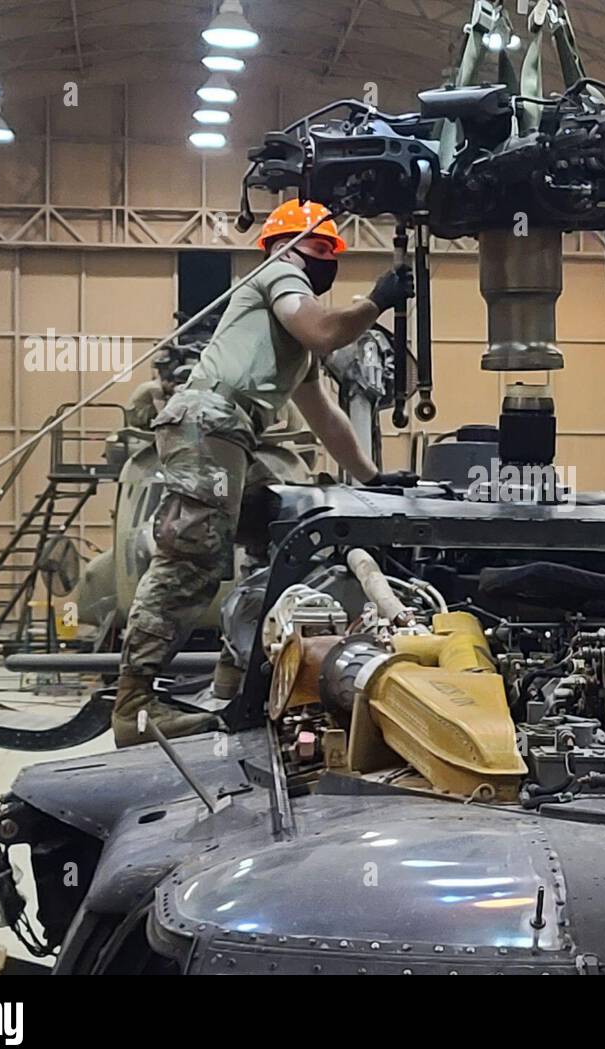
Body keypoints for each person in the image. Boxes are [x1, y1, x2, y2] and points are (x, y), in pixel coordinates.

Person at [112, 199, 416, 747]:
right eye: (318, 248)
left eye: (331, 252)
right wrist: (375, 303)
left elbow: (325, 416)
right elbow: (326, 331)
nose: (325, 260)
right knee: (193, 559)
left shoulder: (293, 344)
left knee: (280, 537)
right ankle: (134, 708)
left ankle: (236, 675)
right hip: (209, 424)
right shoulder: (279, 275)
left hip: (231, 434)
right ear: (282, 246)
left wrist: (371, 479)